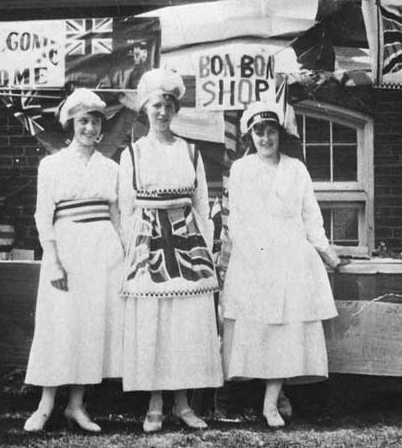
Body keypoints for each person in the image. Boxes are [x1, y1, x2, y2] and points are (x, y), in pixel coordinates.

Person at [222, 101, 343, 428]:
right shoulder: (241, 169)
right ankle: (277, 391)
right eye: (258, 132)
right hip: (254, 256)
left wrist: (326, 251)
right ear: (250, 136)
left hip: (291, 255)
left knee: (288, 329)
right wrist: (249, 252)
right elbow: (236, 217)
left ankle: (271, 401)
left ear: (280, 134)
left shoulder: (296, 169)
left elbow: (310, 216)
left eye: (271, 131)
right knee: (262, 330)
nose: (265, 138)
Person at [119, 68, 223, 433]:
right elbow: (126, 210)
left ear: (175, 109)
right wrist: (133, 253)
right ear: (145, 110)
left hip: (187, 246)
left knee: (186, 326)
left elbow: (203, 205)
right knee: (154, 326)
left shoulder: (190, 151)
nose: (162, 112)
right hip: (148, 248)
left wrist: (205, 252)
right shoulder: (132, 154)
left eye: (168, 105)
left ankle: (182, 404)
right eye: (155, 106)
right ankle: (154, 404)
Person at [23, 89, 124, 433]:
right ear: (71, 124)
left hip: (102, 251)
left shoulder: (111, 168)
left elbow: (116, 216)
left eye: (95, 121)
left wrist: (121, 256)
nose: (90, 127)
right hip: (65, 248)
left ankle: (76, 406)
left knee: (89, 327)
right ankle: (45, 404)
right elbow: (42, 217)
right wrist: (52, 260)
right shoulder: (51, 165)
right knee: (58, 325)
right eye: (83, 120)